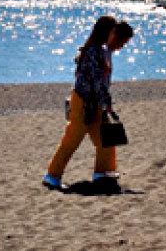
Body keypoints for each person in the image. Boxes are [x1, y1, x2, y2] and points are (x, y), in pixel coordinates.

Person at [42, 16, 135, 192]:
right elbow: (95, 82)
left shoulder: (101, 51)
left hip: (93, 103)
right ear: (107, 31)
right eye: (113, 31)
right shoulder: (93, 52)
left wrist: (105, 104)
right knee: (71, 141)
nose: (115, 36)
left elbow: (100, 82)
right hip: (83, 102)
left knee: (105, 140)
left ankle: (102, 174)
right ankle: (52, 176)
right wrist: (105, 103)